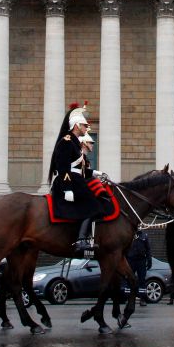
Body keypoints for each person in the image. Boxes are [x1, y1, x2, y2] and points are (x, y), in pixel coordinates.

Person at [48, 103, 104, 253]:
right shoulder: (66, 141)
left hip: (77, 180)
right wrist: (67, 189)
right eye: (84, 125)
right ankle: (81, 240)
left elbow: (80, 169)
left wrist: (94, 173)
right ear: (77, 125)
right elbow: (63, 166)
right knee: (93, 206)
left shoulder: (75, 143)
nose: (87, 128)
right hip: (69, 182)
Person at [126, 230, 152, 306]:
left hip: (141, 261)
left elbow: (148, 249)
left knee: (142, 280)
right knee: (129, 280)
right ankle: (128, 299)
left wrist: (149, 260)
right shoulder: (128, 234)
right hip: (131, 260)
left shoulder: (144, 236)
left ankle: (142, 299)